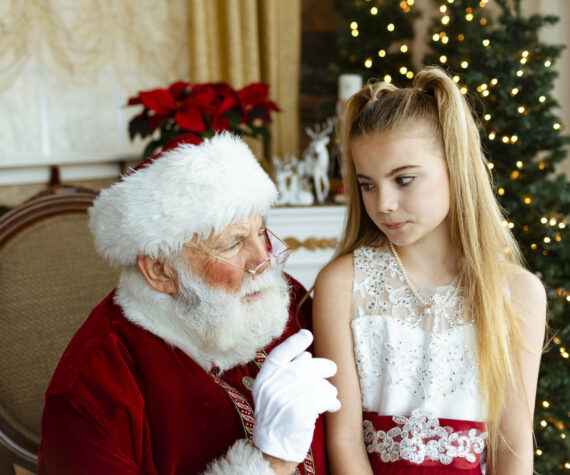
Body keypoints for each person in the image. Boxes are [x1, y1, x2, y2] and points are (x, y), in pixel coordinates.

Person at [38, 132, 341, 474]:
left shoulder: (284, 301)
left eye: (261, 232)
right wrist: (270, 462)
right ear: (159, 270)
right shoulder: (94, 387)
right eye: (232, 243)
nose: (264, 261)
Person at [312, 66, 546, 474]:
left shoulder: (517, 292)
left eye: (403, 179)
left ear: (456, 168)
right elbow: (344, 441)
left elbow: (513, 446)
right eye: (367, 184)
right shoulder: (342, 284)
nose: (383, 203)